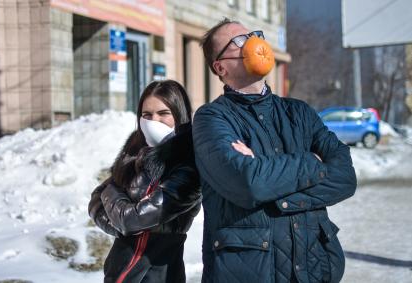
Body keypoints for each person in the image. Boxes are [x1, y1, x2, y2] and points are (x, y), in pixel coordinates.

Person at [193, 18, 357, 283]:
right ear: (220, 67)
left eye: (253, 35)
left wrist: (268, 176)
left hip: (315, 270)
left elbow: (345, 178)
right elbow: (248, 183)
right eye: (238, 41)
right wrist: (313, 162)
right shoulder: (211, 119)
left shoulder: (299, 112)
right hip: (249, 273)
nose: (252, 43)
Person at [88, 80, 202, 283]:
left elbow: (131, 219)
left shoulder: (188, 164)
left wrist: (114, 197)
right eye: (146, 115)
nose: (153, 121)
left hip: (158, 274)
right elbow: (96, 201)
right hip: (119, 272)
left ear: (179, 115)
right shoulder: (135, 150)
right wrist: (123, 228)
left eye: (163, 113)